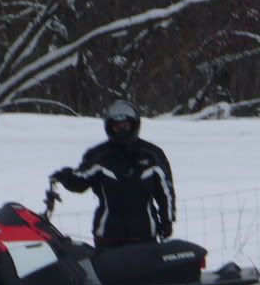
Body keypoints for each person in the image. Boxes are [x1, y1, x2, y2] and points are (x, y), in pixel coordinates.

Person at [51, 99, 176, 248]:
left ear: (134, 124)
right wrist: (67, 177)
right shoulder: (98, 155)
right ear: (110, 127)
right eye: (118, 126)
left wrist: (167, 222)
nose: (122, 129)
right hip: (108, 234)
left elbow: (166, 193)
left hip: (145, 234)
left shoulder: (152, 155)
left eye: (126, 125)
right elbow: (80, 182)